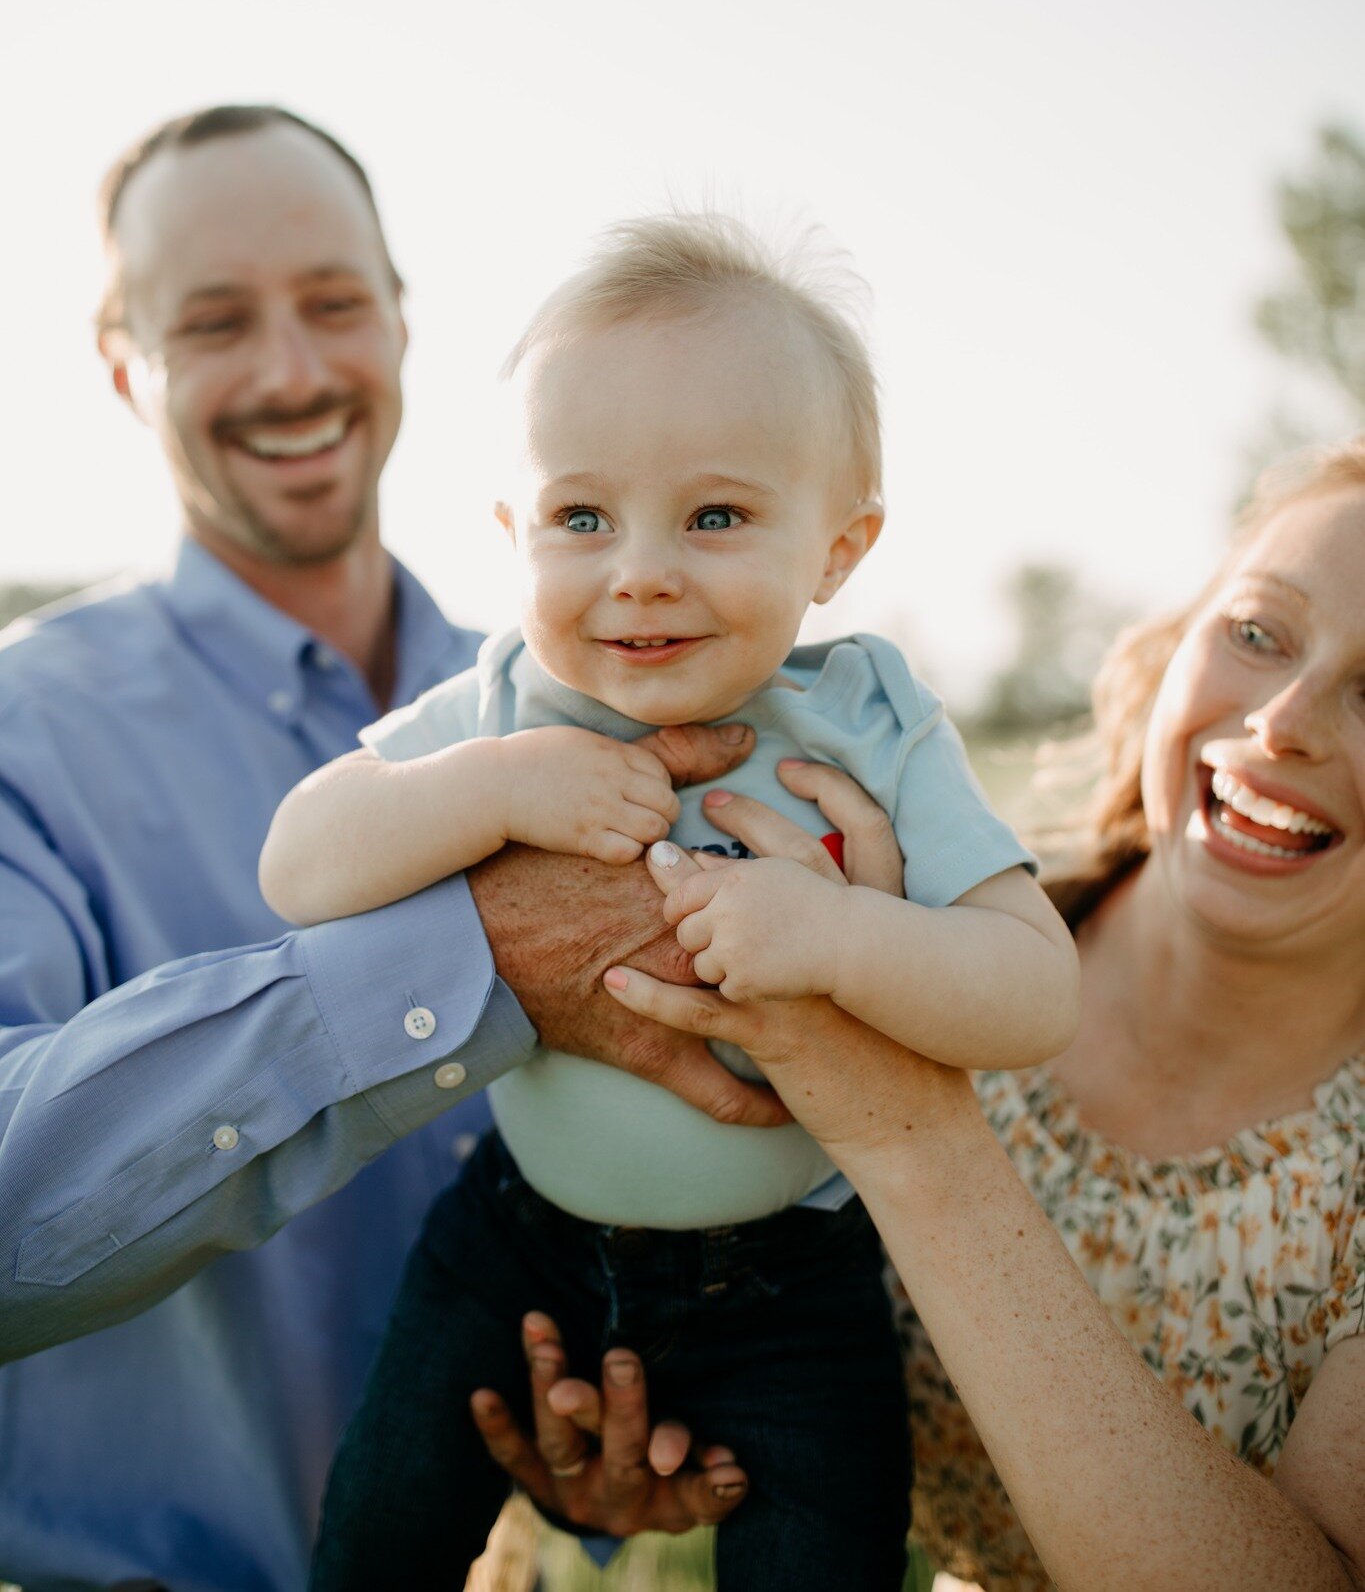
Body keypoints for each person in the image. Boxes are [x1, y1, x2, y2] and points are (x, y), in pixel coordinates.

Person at [0, 106, 786, 1592]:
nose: (294, 371)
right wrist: (470, 961)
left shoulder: (611, 685)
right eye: (217, 321)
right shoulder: (21, 731)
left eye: (334, 302)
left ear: (403, 322)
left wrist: (618, 1435)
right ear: (124, 367)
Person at [259, 214, 1080, 1589]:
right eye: (582, 516)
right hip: (518, 1239)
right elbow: (299, 861)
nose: (639, 568)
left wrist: (841, 934)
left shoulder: (867, 719)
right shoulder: (508, 707)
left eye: (714, 515)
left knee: (824, 1553)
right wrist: (499, 789)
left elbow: (1033, 989)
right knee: (379, 1531)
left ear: (837, 547)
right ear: (513, 531)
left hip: (793, 1280)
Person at [492, 440, 1365, 1590]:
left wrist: (901, 1119)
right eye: (1259, 632)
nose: (1285, 720)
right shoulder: (955, 923)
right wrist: (671, 1428)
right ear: (1174, 644)